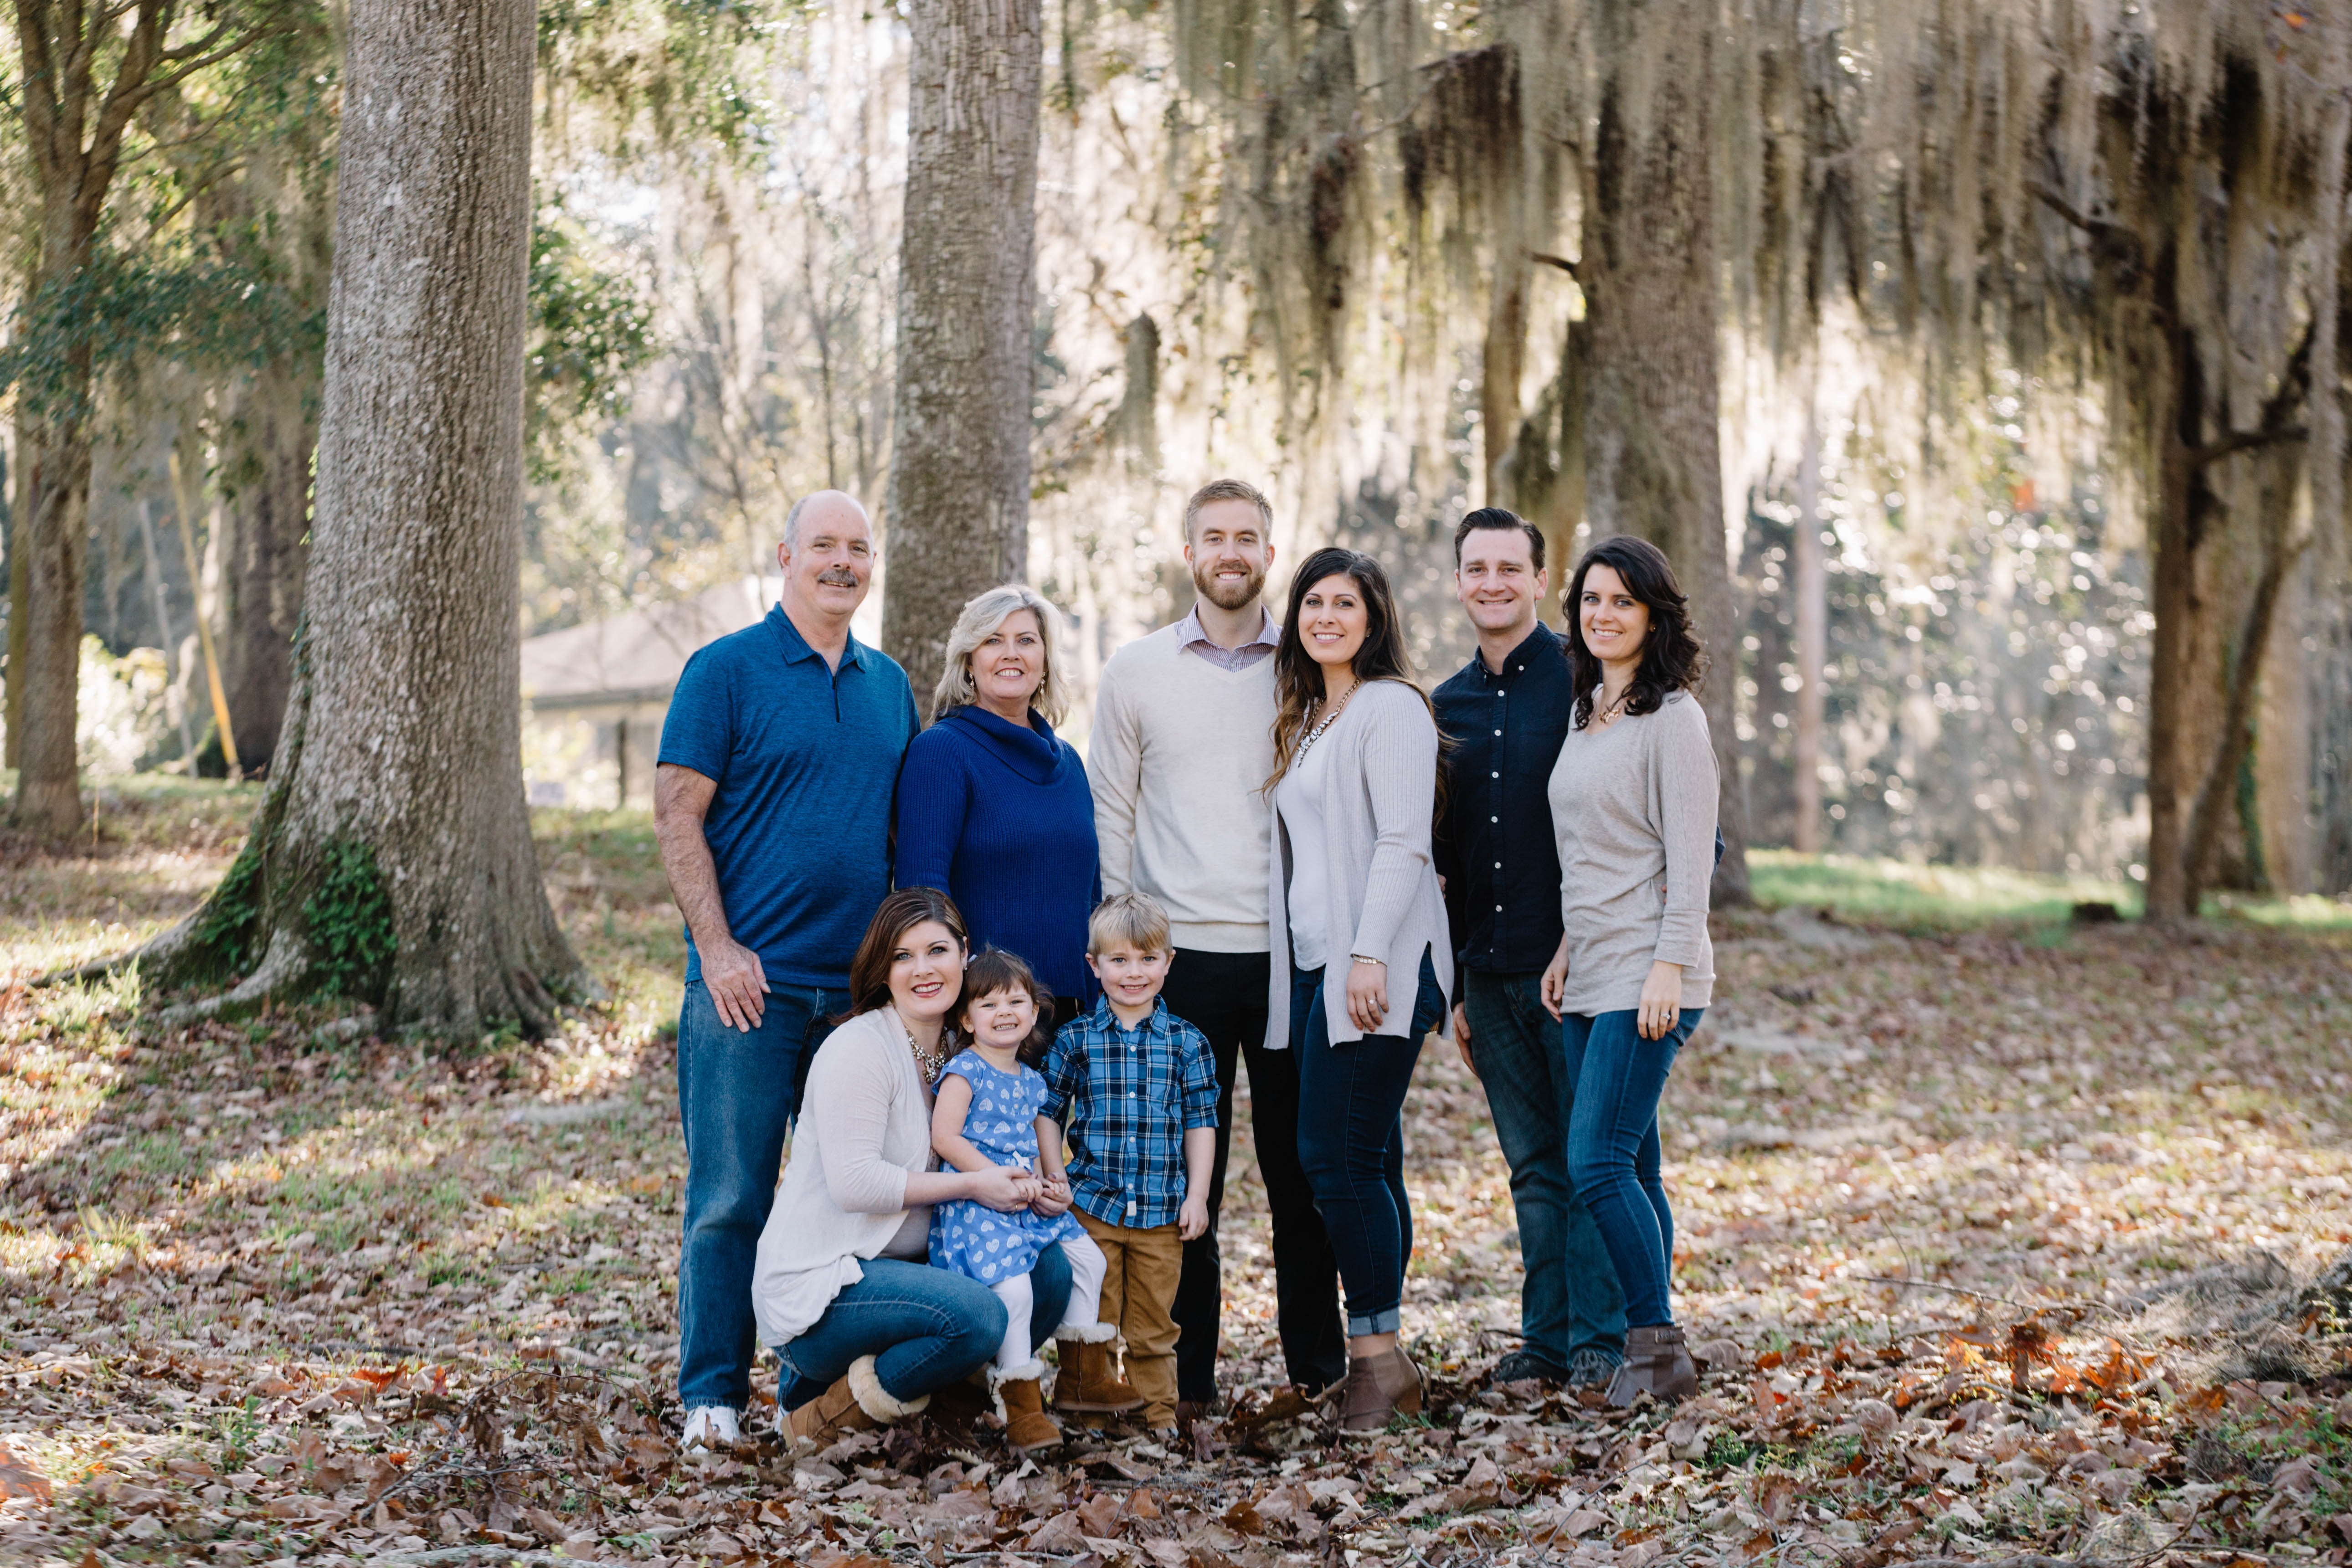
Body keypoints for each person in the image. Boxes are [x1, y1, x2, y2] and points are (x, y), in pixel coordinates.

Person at [655, 490, 921, 1449]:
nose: (843, 562)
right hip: (748, 992)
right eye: (825, 545)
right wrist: (718, 949)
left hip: (855, 1002)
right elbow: (677, 811)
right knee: (733, 1195)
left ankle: (804, 1388)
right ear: (785, 556)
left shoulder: (890, 685)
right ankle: (712, 1397)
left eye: (858, 547)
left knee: (848, 1201)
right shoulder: (724, 670)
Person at [1088, 478, 1348, 1422]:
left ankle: (1318, 1371)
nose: (1231, 551)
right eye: (1214, 537)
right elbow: (1111, 807)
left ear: (1270, 555)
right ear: (1188, 552)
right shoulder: (1136, 670)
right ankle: (1183, 1384)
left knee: (1301, 1174)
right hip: (1175, 963)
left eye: (1248, 537)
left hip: (1288, 960)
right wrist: (1125, 943)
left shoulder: (1313, 661)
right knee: (1177, 1180)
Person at [751, 889, 1081, 1443]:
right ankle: (817, 1418)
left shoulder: (967, 1046)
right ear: (883, 970)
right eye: (903, 957)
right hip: (829, 1281)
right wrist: (976, 1183)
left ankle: (941, 1411)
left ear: (964, 955)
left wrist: (1038, 1188)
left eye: (937, 950)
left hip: (917, 1267)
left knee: (1048, 1274)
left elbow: (1007, 1144)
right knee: (979, 1314)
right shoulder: (860, 1048)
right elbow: (855, 1183)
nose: (922, 969)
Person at [1431, 508, 1628, 1391]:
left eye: (1511, 567)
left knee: (1598, 1162)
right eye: (1478, 568)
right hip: (1490, 971)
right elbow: (1445, 857)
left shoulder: (1593, 684)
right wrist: (1459, 994)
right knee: (1534, 1169)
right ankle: (1546, 1340)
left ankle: (1604, 1340)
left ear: (1540, 579)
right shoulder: (1446, 707)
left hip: (1582, 972)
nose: (1494, 583)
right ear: (1460, 581)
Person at [1262, 547, 1452, 1434]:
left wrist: (1370, 954)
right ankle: (1392, 1359)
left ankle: (1376, 1358)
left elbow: (1404, 839)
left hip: (1373, 964)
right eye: (1314, 602)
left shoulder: (1391, 708)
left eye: (1346, 602)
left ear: (1374, 619)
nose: (1327, 616)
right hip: (1317, 965)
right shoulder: (1314, 716)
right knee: (1368, 1157)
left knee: (1333, 1157)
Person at [1539, 535, 1719, 1407]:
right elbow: (1595, 852)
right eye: (1591, 600)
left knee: (1595, 1163)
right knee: (1633, 1167)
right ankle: (1659, 1348)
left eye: (1622, 601)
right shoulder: (1585, 712)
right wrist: (1570, 947)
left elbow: (1690, 862)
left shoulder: (1673, 718)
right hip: (1592, 967)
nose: (1603, 614)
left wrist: (1669, 967)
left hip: (1651, 973)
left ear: (1654, 616)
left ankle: (1655, 1348)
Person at [927, 948, 1121, 1454]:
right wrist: (993, 1179)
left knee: (1089, 1260)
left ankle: (1082, 1381)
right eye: (988, 1005)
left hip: (1024, 1200)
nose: (1004, 1013)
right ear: (966, 1019)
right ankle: (1021, 1408)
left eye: (1016, 1001)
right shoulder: (964, 1072)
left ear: (1035, 1012)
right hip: (977, 1203)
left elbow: (1039, 1146)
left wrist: (1053, 1183)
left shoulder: (1031, 1080)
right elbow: (946, 1138)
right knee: (1015, 1292)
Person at [1039, 893, 1219, 1436]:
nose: (1133, 973)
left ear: (1168, 961)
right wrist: (1056, 1175)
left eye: (1146, 959)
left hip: (1163, 1212)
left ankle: (1156, 1415)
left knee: (1153, 1325)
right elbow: (1047, 1112)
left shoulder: (1188, 1043)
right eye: (1119, 961)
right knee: (1093, 1319)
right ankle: (1088, 1412)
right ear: (1093, 966)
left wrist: (1198, 1196)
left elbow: (1201, 1121)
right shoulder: (1076, 1040)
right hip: (1093, 1204)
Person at [896, 585, 1101, 1016]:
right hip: (988, 1016)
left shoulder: (1070, 763)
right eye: (993, 641)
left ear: (1044, 660)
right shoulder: (942, 750)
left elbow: (1091, 899)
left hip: (1076, 1018)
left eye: (1026, 640)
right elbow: (923, 895)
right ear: (970, 661)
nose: (1011, 653)